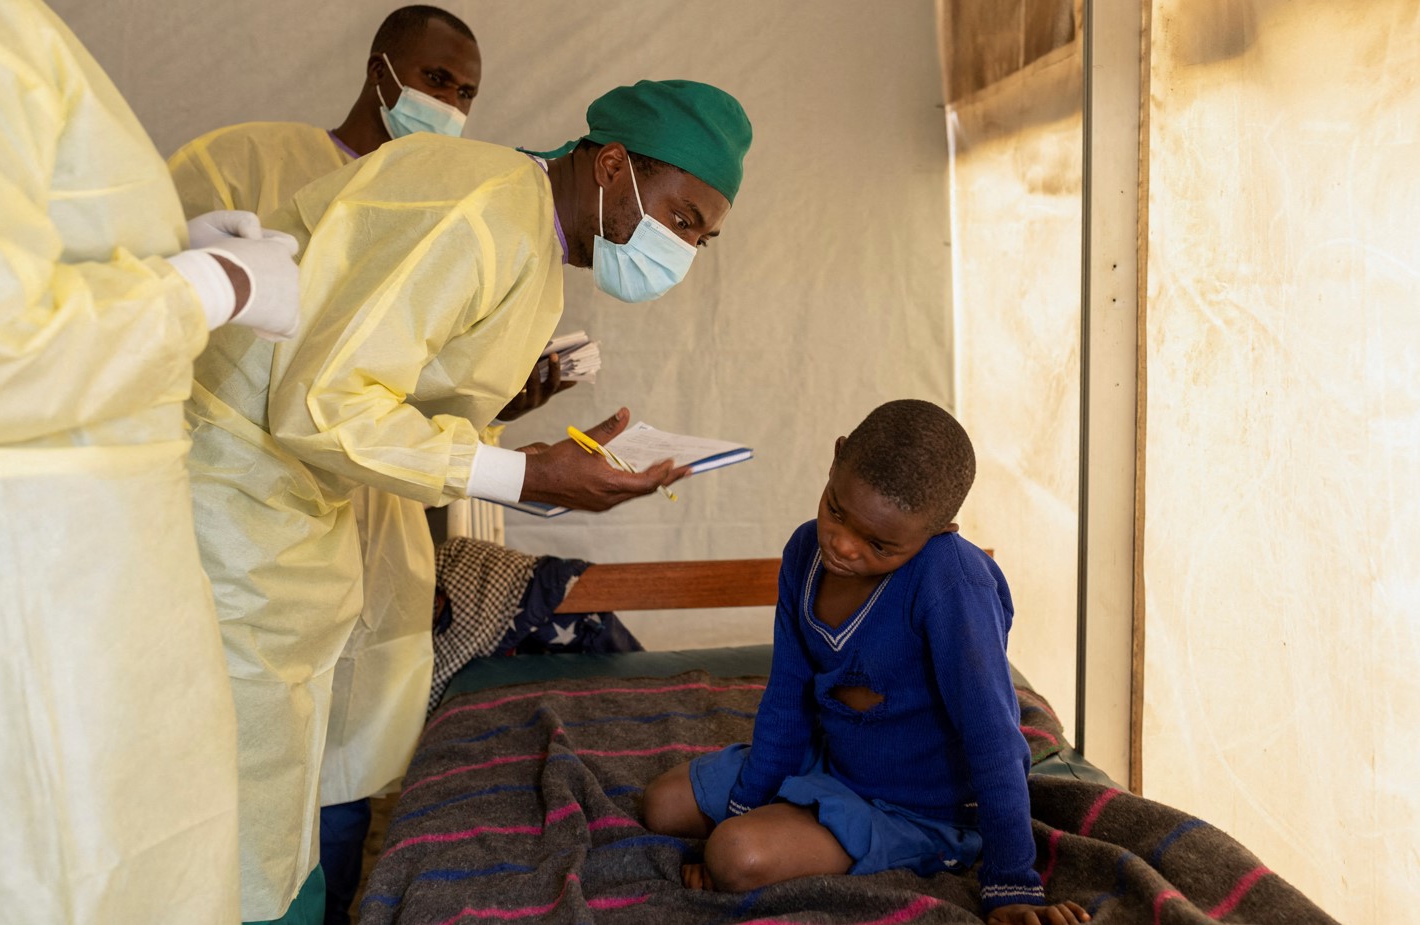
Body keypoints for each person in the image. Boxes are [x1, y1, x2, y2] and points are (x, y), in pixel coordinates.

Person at [184, 77, 752, 923]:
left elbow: (405, 407)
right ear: (610, 165)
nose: (686, 251)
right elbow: (323, 404)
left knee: (280, 781)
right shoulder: (481, 208)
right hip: (235, 500)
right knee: (228, 796)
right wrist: (527, 475)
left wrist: (539, 458)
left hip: (295, 506)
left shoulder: (530, 239)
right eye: (682, 220)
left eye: (703, 239)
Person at [167, 9, 557, 920]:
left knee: (339, 768)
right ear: (381, 68)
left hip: (371, 524)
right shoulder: (252, 161)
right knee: (229, 766)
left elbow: (401, 394)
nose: (451, 102)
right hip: (241, 517)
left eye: (466, 91)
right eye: (436, 78)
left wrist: (505, 407)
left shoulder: (456, 195)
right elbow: (158, 305)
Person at [0, 1, 302, 922]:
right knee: (70, 873)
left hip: (93, 567)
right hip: (41, 585)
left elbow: (29, 250)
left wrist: (169, 253)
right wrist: (209, 287)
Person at [639, 400, 1091, 925]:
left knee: (736, 856)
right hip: (832, 764)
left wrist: (1012, 883)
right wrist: (747, 804)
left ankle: (927, 847)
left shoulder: (952, 584)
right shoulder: (804, 552)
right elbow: (787, 695)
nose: (843, 545)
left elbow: (993, 735)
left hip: (920, 808)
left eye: (879, 545)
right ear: (835, 461)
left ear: (940, 529)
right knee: (663, 806)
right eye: (836, 510)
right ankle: (786, 818)